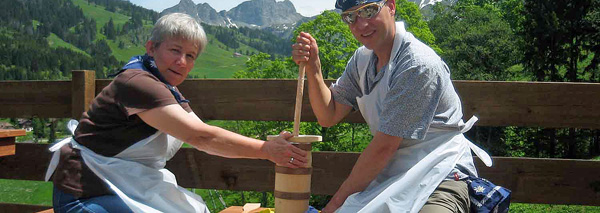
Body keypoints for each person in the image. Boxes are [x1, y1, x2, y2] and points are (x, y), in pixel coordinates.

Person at [45, 13, 308, 213]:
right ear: (151, 48)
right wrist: (266, 149)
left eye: (190, 55)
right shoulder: (138, 83)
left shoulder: (167, 89)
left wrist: (269, 148)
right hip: (85, 194)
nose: (182, 61)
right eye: (175, 50)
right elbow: (201, 137)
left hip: (124, 185)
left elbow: (201, 134)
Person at [292, 0, 492, 212]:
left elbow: (383, 147)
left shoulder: (417, 65)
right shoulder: (362, 60)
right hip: (393, 178)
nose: (360, 24)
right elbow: (328, 115)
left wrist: (332, 207)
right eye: (350, 17)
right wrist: (314, 67)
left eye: (368, 11)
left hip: (441, 176)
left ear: (391, 6)